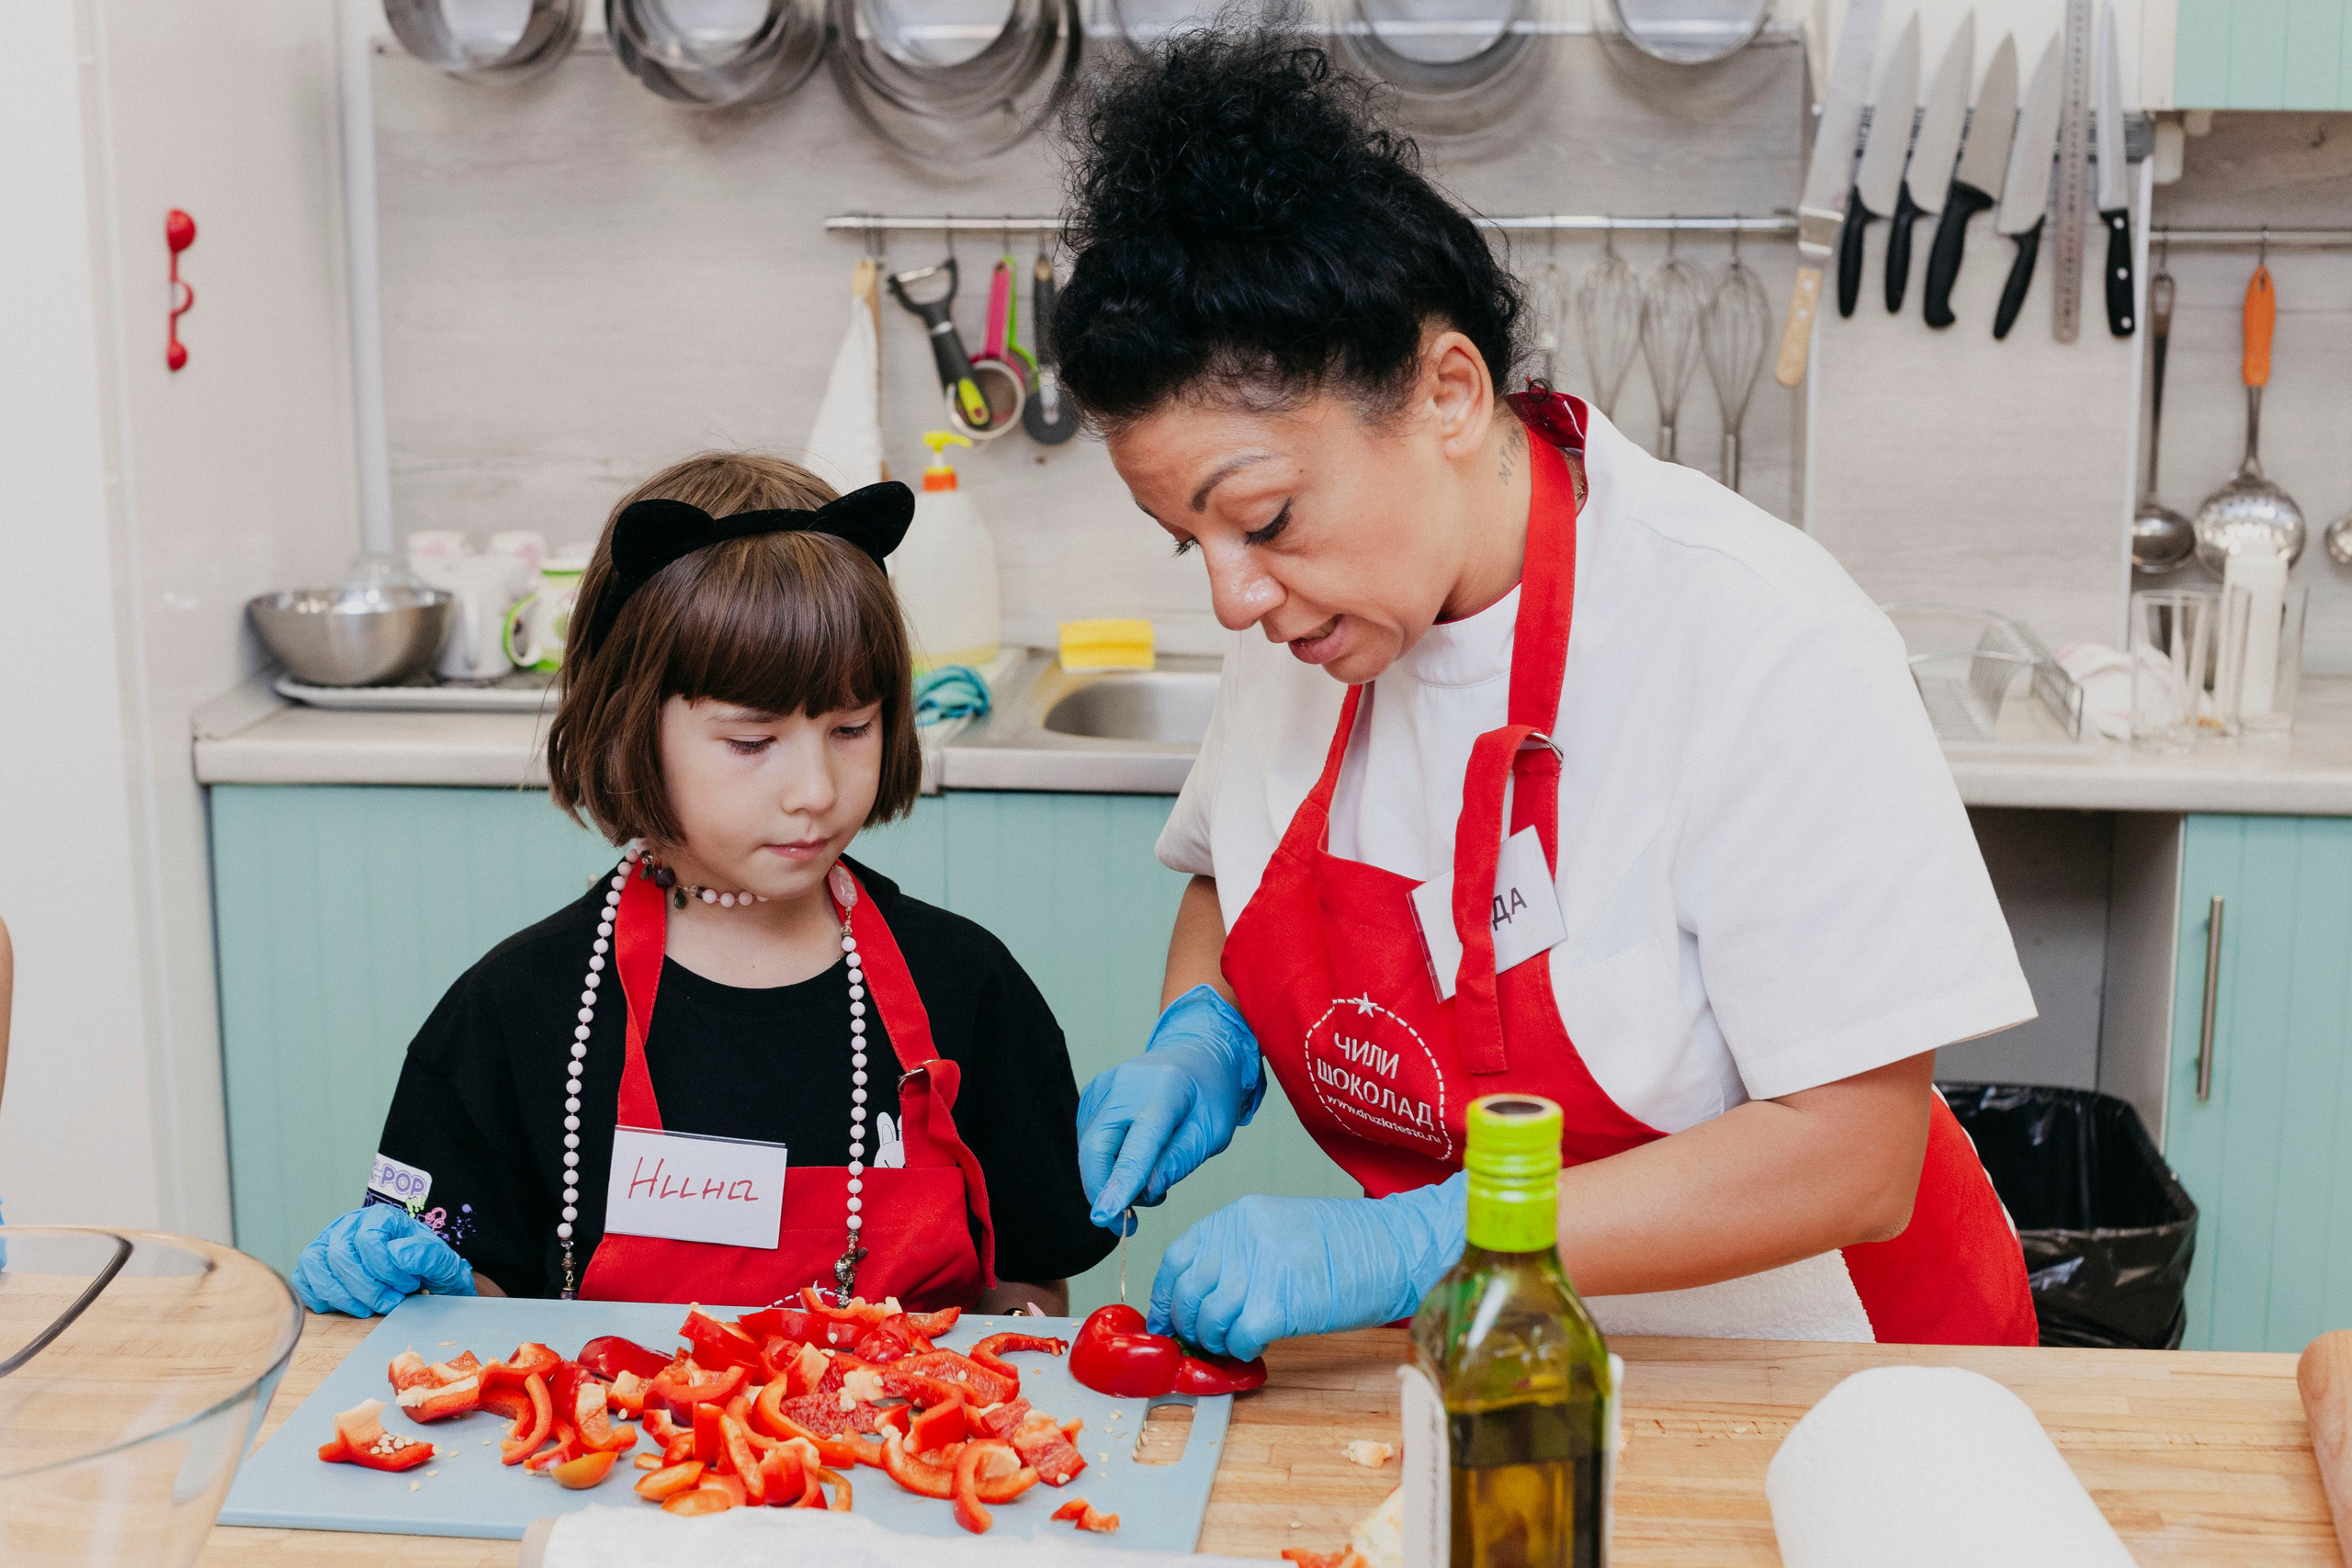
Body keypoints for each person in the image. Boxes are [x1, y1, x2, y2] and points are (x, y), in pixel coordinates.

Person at [1057, 32, 2039, 1359]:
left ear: (1449, 393)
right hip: (1496, 1356)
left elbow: (1854, 1155)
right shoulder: (1309, 617)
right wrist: (1204, 1030)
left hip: (1817, 1367)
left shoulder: (1757, 635)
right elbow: (1232, 879)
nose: (1235, 595)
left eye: (1265, 516)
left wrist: (1420, 1240)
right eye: (1194, 543)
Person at [294, 452, 1111, 1316]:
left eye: (852, 728)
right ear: (630, 727)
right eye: (752, 742)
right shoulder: (516, 1013)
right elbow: (473, 1300)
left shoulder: (967, 987)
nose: (815, 790)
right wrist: (425, 1288)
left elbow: (1030, 1281)